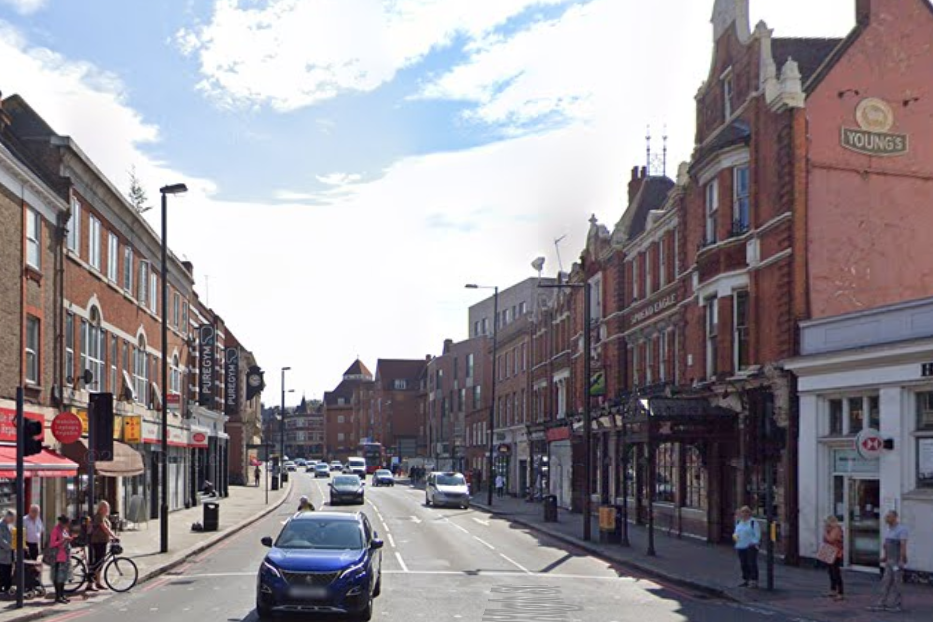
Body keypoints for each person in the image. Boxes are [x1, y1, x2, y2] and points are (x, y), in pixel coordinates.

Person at [869, 510, 909, 613]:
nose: (886, 519)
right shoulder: (888, 529)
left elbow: (903, 546)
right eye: (886, 517)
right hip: (889, 561)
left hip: (896, 560)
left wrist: (901, 559)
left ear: (895, 517)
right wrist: (884, 556)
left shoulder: (902, 529)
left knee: (897, 583)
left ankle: (898, 605)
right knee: (885, 582)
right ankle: (882, 603)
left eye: (889, 517)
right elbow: (886, 545)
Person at [88, 501, 116, 592]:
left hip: (103, 542)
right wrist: (114, 536)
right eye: (106, 507)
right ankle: (90, 584)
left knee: (100, 563)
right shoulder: (98, 517)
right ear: (101, 508)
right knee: (96, 563)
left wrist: (111, 537)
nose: (108, 509)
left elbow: (106, 529)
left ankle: (98, 582)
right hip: (97, 542)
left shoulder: (104, 517)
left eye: (108, 507)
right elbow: (104, 528)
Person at [733, 506, 760, 588]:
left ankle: (753, 581)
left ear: (749, 513)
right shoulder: (739, 522)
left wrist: (754, 542)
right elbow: (735, 532)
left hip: (750, 546)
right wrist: (735, 539)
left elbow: (757, 534)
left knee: (751, 563)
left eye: (746, 512)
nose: (744, 514)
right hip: (740, 546)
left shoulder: (753, 522)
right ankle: (746, 579)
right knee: (743, 563)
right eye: (742, 512)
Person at [48, 515, 73, 604]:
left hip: (64, 557)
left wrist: (69, 539)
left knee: (63, 578)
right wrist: (63, 540)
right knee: (58, 578)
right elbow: (52, 544)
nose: (67, 525)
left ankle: (62, 594)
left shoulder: (64, 530)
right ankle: (58, 596)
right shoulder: (56, 530)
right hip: (57, 557)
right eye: (66, 523)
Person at [822, 515, 844, 601]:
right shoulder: (830, 529)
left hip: (836, 553)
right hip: (830, 552)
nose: (826, 524)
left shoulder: (837, 529)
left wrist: (825, 532)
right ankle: (833, 590)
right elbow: (825, 540)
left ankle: (840, 592)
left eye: (827, 522)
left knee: (836, 572)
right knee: (830, 571)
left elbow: (831, 539)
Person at [23, 504, 43, 593]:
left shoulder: (38, 519)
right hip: (27, 545)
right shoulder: (25, 520)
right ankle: (27, 585)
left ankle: (33, 583)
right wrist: (24, 545)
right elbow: (22, 533)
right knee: (27, 566)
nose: (36, 514)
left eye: (37, 512)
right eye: (34, 512)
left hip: (35, 545)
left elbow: (41, 530)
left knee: (34, 565)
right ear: (30, 511)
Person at [0, 510, 14, 595]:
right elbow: (0, 540)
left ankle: (7, 589)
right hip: (3, 553)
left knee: (8, 571)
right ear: (7, 516)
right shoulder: (1, 525)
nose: (13, 520)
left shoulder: (10, 525)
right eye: (12, 518)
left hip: (9, 553)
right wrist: (9, 547)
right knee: (3, 571)